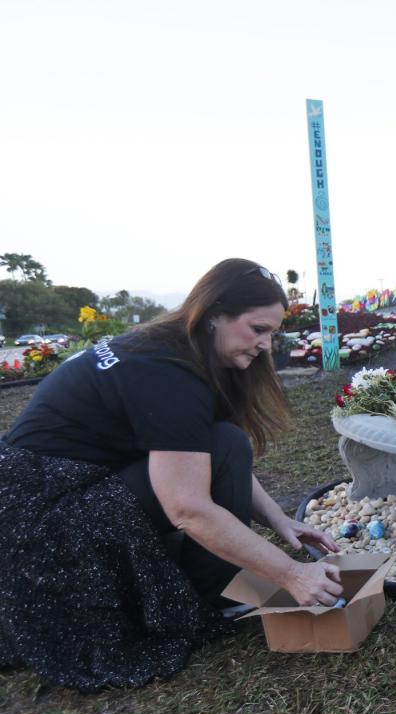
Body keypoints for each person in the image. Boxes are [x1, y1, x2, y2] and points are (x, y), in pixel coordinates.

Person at [0, 258, 342, 691]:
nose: (265, 345)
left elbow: (209, 453)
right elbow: (188, 509)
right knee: (222, 451)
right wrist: (292, 575)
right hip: (40, 522)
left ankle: (212, 577)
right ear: (214, 314)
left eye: (272, 332)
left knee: (225, 440)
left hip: (52, 490)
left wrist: (280, 520)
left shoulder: (172, 350)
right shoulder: (168, 375)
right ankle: (213, 591)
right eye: (258, 330)